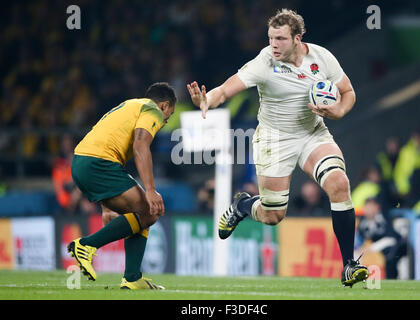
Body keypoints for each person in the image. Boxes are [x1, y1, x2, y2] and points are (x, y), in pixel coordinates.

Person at [187, 9, 368, 287]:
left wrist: (339, 111)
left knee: (339, 183)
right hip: (274, 140)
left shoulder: (322, 58)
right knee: (273, 215)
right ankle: (243, 206)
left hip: (312, 134)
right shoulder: (265, 61)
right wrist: (206, 100)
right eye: (271, 37)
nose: (274, 44)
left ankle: (348, 264)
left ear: (297, 38)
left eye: (280, 39)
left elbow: (349, 92)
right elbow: (225, 90)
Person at [67, 82, 176, 290]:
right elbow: (140, 145)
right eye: (168, 116)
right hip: (98, 163)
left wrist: (106, 205)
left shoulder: (131, 105)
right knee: (150, 210)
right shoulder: (152, 110)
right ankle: (87, 245)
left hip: (84, 161)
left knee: (144, 212)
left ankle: (133, 278)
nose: (165, 121)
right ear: (163, 106)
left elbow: (107, 139)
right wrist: (151, 190)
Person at [355, 197, 407, 279]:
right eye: (367, 207)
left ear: (377, 207)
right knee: (356, 254)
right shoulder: (363, 222)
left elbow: (392, 238)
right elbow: (359, 240)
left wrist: (371, 248)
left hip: (399, 247)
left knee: (394, 261)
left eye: (371, 207)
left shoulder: (384, 217)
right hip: (382, 250)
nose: (369, 210)